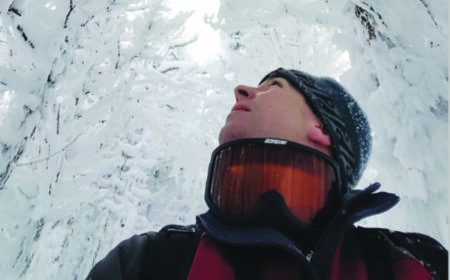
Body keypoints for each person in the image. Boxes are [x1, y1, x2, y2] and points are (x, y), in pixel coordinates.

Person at [85, 68, 448, 279]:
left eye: (273, 86)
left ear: (323, 128)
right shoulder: (147, 261)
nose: (242, 90)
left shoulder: (411, 264)